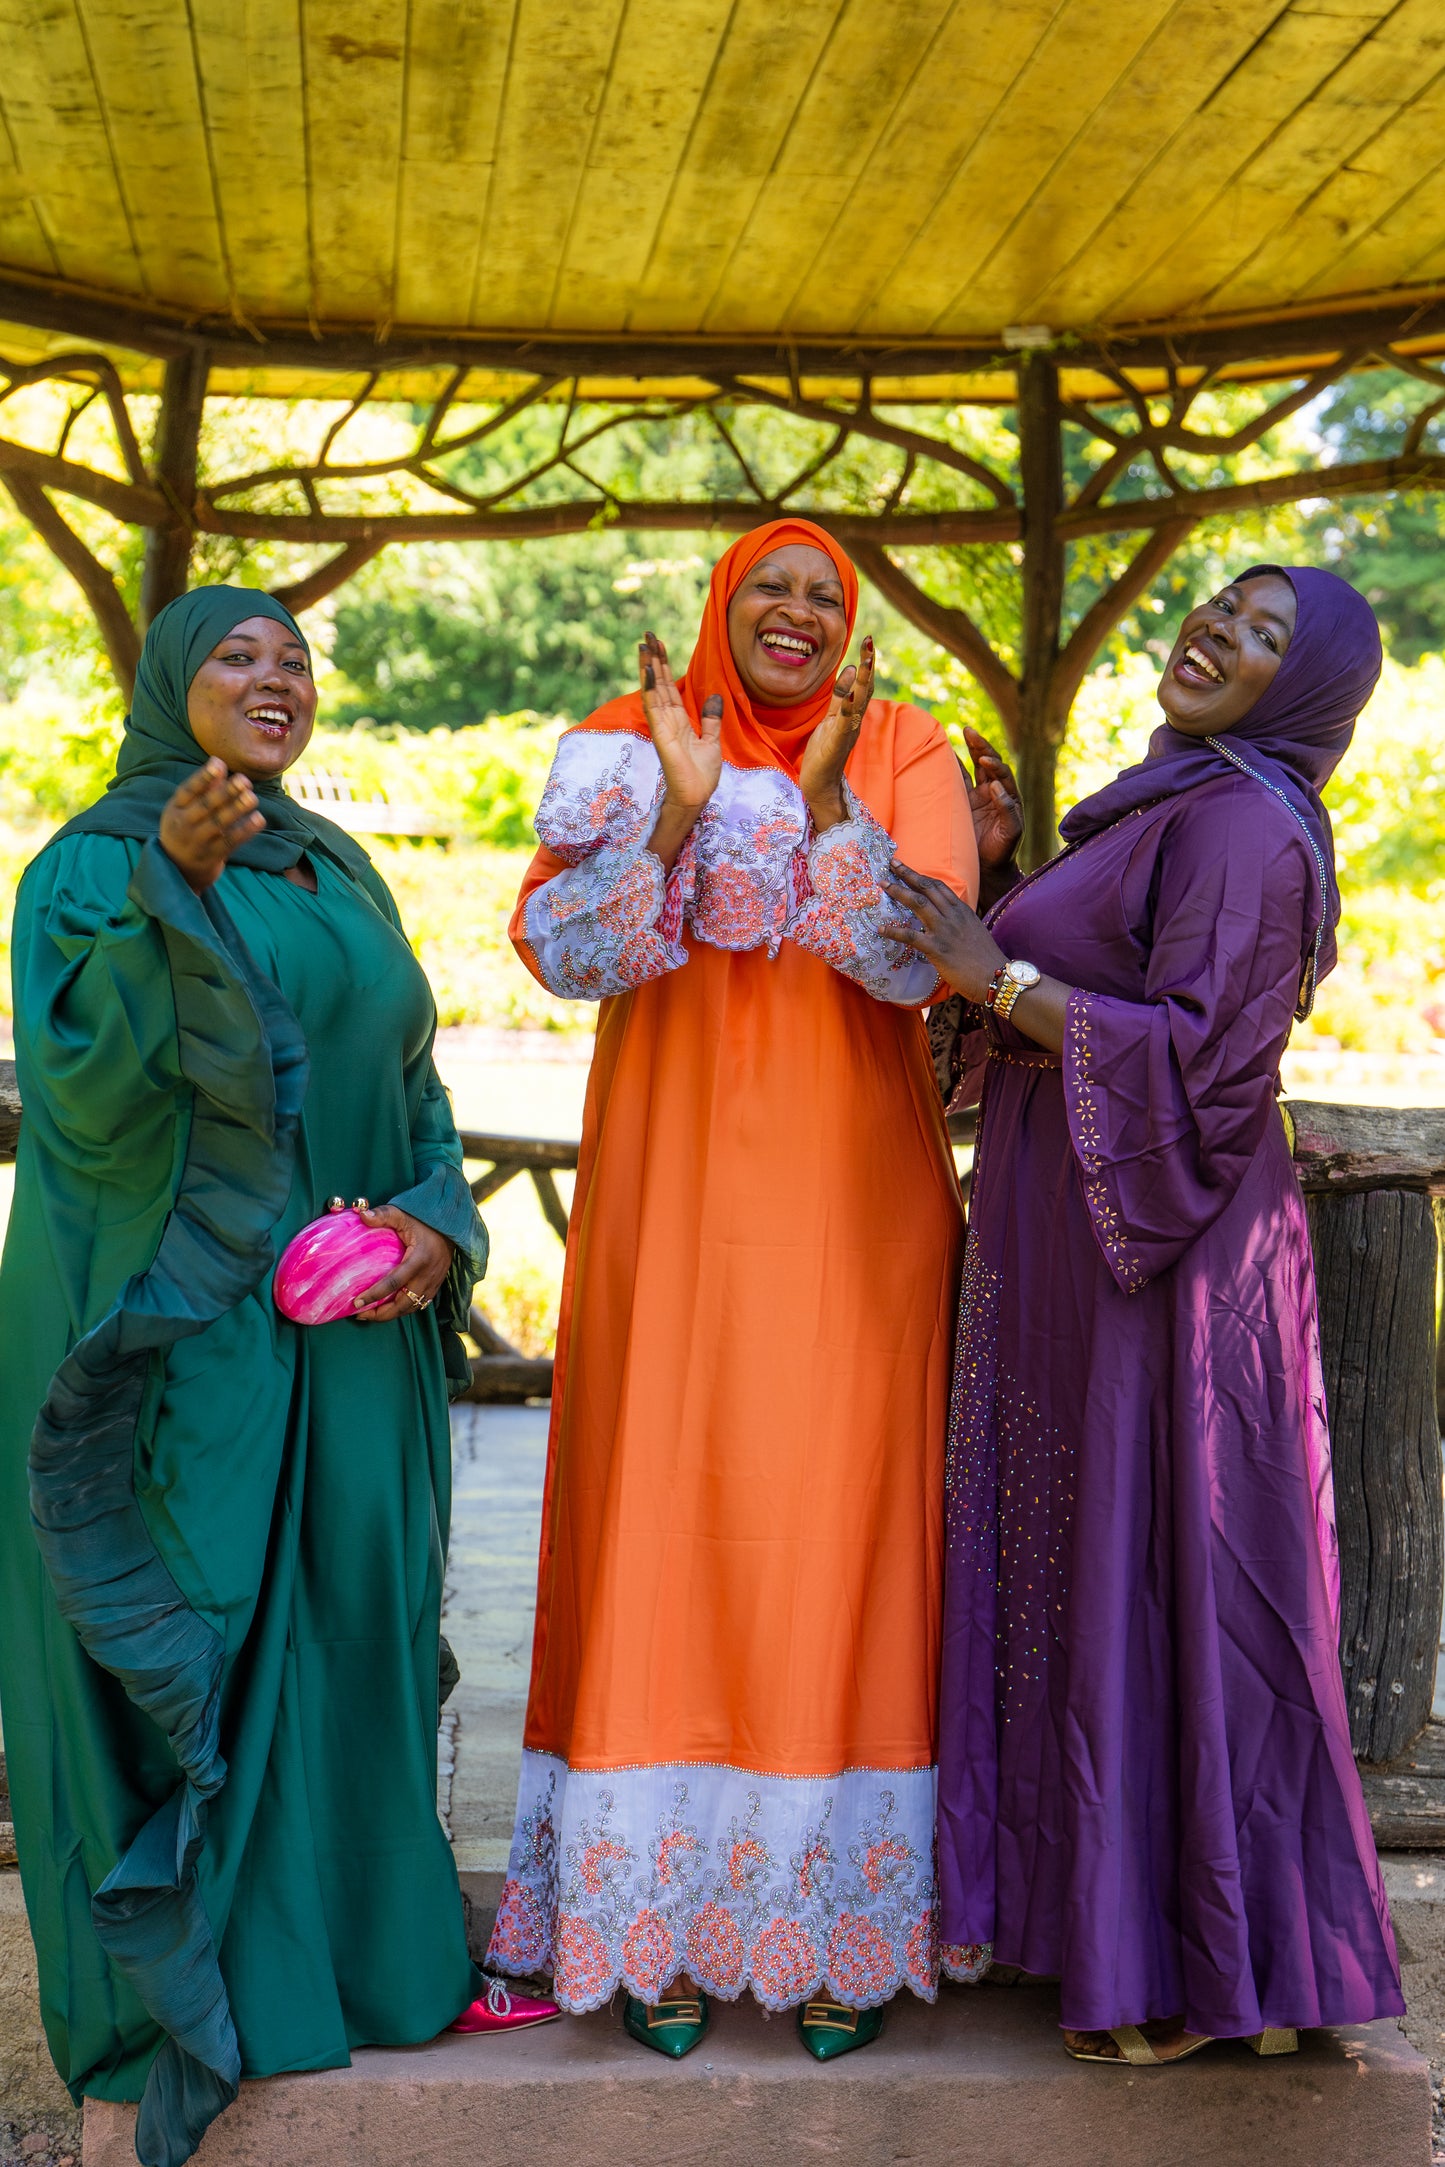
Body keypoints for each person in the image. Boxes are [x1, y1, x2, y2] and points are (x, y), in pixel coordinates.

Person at [0, 588, 554, 2167]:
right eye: (236, 655)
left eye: (295, 659)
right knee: (211, 1639)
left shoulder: (336, 863)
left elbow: (413, 1081)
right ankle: (197, 1996)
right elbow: (93, 1091)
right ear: (169, 687)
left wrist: (436, 1227)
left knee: (355, 1618)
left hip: (357, 1337)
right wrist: (174, 883)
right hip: (184, 1344)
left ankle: (369, 1963)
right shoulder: (89, 868)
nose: (275, 678)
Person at [881, 564, 1404, 2064]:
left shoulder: (1243, 824)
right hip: (1081, 1224)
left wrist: (998, 969)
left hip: (1153, 1252)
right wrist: (999, 887)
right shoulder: (1172, 796)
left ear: (1298, 693)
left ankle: (1190, 1969)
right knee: (1079, 1561)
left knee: (1150, 1562)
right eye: (1218, 609)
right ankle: (1100, 1928)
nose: (1212, 637)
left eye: (1257, 637)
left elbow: (1204, 1064)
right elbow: (1072, 977)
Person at [485, 518, 978, 2060]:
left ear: (854, 630)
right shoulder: (630, 741)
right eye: (767, 583)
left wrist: (824, 796)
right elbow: (559, 953)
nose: (794, 610)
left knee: (842, 1530)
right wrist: (677, 818)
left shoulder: (906, 744)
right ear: (719, 600)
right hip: (670, 1202)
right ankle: (663, 1931)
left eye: (824, 595)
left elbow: (920, 957)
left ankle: (839, 1924)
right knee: (660, 1519)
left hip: (853, 1213)